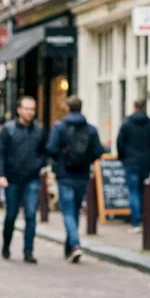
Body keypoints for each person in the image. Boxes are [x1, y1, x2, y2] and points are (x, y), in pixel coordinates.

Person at [47, 95, 106, 262]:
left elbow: (51, 149)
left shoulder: (59, 127)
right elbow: (98, 151)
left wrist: (61, 159)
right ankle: (69, 249)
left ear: (67, 108)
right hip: (82, 175)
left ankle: (75, 245)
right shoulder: (91, 129)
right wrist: (86, 160)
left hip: (65, 175)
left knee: (67, 212)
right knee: (75, 211)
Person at [0, 96, 47, 263]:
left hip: (31, 179)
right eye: (27, 108)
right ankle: (6, 245)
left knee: (31, 214)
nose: (30, 112)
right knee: (11, 214)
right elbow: (0, 154)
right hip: (12, 179)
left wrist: (38, 165)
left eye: (32, 109)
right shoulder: (8, 130)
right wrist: (0, 175)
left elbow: (44, 152)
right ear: (19, 110)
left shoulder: (39, 131)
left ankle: (28, 251)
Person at [117, 98, 150, 233]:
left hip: (131, 162)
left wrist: (123, 158)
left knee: (133, 192)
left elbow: (120, 143)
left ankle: (136, 223)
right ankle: (145, 221)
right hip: (145, 163)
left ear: (134, 107)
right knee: (144, 191)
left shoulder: (126, 124)